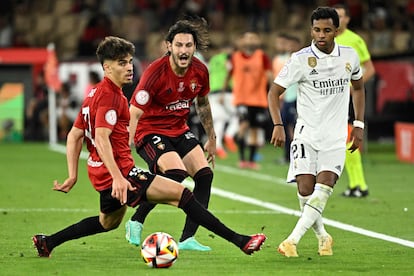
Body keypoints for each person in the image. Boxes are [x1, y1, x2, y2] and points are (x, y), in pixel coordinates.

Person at [32, 36, 266, 258]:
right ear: (106, 68)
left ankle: (48, 242)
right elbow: (102, 138)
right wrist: (118, 177)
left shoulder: (94, 93)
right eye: (121, 63)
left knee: (108, 223)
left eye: (130, 61)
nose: (129, 67)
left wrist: (73, 175)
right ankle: (241, 241)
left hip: (100, 173)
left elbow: (74, 135)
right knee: (182, 194)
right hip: (119, 172)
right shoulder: (110, 98)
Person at [268, 7, 365, 257]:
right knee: (305, 190)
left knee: (324, 188)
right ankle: (323, 235)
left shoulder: (350, 56)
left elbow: (358, 87)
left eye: (327, 30)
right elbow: (273, 92)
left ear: (336, 30)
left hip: (334, 138)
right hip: (305, 135)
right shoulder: (300, 59)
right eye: (316, 30)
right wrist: (278, 124)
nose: (321, 35)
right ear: (311, 30)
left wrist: (359, 124)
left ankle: (292, 240)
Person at [125, 17, 217, 252]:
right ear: (169, 46)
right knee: (176, 173)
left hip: (179, 129)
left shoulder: (200, 71)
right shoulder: (155, 73)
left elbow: (203, 104)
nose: (184, 50)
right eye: (179, 45)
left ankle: (187, 239)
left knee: (204, 175)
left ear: (194, 47)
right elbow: (134, 113)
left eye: (188, 45)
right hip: (150, 131)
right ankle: (136, 220)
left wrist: (212, 138)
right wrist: (124, 149)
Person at [334, 4, 375, 198]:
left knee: (349, 140)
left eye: (341, 16)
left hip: (348, 98)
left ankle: (361, 184)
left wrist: (353, 87)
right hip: (333, 98)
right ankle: (354, 184)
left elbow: (370, 68)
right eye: (335, 16)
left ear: (348, 19)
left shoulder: (354, 40)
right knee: (343, 141)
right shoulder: (327, 39)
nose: (338, 20)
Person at [224, 31, 273, 169]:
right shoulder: (235, 57)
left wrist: (274, 92)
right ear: (242, 41)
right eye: (247, 38)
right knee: (243, 125)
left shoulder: (262, 57)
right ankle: (241, 158)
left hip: (258, 100)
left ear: (258, 40)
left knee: (255, 130)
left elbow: (269, 76)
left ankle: (251, 161)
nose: (250, 40)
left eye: (253, 37)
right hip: (241, 99)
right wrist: (223, 92)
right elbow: (229, 74)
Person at [272, 33, 301, 164]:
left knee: (296, 129)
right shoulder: (284, 60)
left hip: (297, 99)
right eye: (288, 44)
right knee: (286, 128)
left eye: (292, 44)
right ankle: (288, 156)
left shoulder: (301, 60)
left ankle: (298, 157)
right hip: (287, 99)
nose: (289, 46)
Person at [208, 42, 238, 159]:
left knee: (219, 120)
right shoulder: (227, 59)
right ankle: (229, 135)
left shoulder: (213, 60)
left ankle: (218, 146)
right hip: (225, 92)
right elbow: (229, 73)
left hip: (212, 92)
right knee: (238, 115)